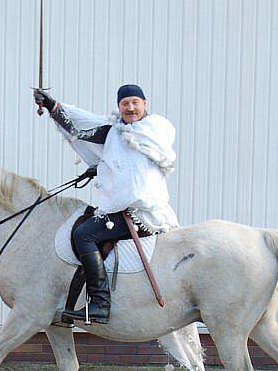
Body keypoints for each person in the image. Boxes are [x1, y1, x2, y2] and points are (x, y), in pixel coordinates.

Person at [33, 84, 179, 324]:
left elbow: (120, 149)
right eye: (125, 104)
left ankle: (100, 304)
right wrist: (52, 107)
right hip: (124, 209)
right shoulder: (115, 132)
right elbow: (80, 130)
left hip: (141, 212)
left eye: (135, 102)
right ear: (119, 107)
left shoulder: (155, 129)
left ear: (144, 104)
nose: (130, 108)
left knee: (83, 235)